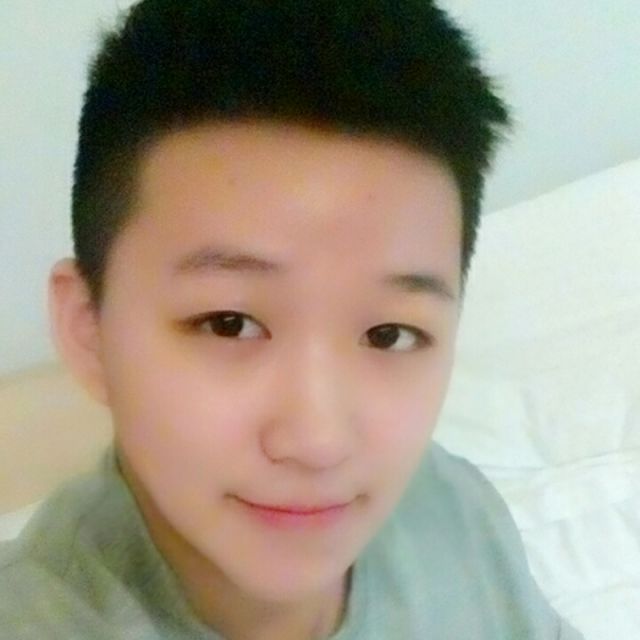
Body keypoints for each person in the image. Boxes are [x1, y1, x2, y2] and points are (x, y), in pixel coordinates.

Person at [0, 1, 584, 638]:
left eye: (389, 334)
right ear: (89, 330)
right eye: (229, 323)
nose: (318, 442)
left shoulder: (451, 509)